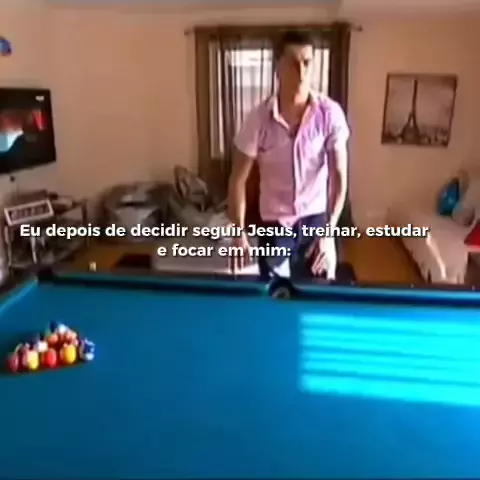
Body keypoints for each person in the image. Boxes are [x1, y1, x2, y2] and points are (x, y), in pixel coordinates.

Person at [227, 30, 350, 279]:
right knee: (275, 293)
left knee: (318, 292)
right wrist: (238, 233)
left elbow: (339, 176)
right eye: (293, 63)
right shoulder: (258, 119)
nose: (301, 72)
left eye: (307, 63)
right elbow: (237, 180)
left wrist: (329, 233)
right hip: (275, 225)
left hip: (316, 221)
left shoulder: (330, 113)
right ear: (278, 68)